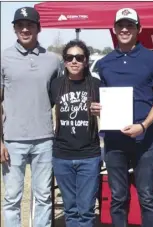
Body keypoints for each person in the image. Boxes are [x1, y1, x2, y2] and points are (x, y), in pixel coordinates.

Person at [91, 8, 153, 227]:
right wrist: (100, 109)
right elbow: (105, 99)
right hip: (114, 140)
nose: (125, 29)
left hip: (144, 139)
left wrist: (143, 126)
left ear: (139, 29)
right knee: (118, 197)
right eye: (120, 25)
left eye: (130, 25)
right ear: (114, 29)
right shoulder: (105, 62)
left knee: (147, 197)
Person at [0, 7, 60, 227]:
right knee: (12, 198)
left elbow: (58, 98)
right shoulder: (3, 58)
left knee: (44, 197)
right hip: (12, 140)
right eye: (20, 25)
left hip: (44, 139)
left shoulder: (53, 60)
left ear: (39, 28)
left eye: (30, 25)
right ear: (14, 28)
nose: (25, 29)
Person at [50, 40, 101, 227]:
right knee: (70, 210)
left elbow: (113, 113)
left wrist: (102, 111)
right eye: (69, 57)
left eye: (79, 57)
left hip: (89, 155)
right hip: (62, 155)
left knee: (86, 210)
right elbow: (41, 110)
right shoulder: (55, 85)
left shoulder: (96, 85)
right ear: (64, 61)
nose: (74, 61)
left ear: (86, 61)